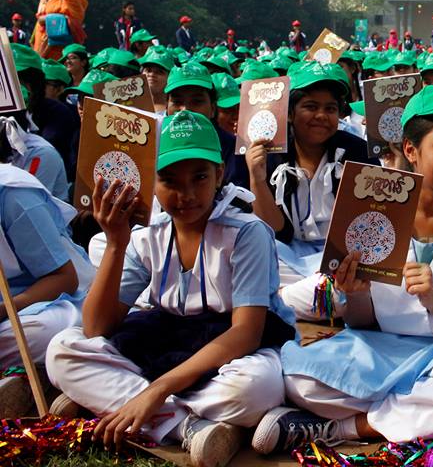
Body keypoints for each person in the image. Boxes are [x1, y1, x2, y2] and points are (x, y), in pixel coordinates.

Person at [253, 81, 433, 453]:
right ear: (411, 150)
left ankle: (347, 427)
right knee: (294, 378)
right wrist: (354, 295)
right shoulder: (370, 208)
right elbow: (362, 322)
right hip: (376, 348)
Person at [46, 111, 295, 466]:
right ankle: (188, 426)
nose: (187, 194)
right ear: (152, 181)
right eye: (170, 180)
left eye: (200, 177)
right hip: (167, 337)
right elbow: (96, 328)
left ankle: (124, 404)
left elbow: (245, 333)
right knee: (62, 351)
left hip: (230, 347)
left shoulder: (246, 231)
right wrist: (116, 243)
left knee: (257, 388)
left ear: (219, 175)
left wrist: (157, 390)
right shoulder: (147, 234)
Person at [245, 63, 376, 320]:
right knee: (250, 259)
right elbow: (275, 230)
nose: (321, 116)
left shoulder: (357, 151)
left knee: (357, 285)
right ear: (290, 114)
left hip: (343, 259)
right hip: (288, 259)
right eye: (310, 107)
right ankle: (292, 300)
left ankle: (275, 302)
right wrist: (257, 178)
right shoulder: (271, 153)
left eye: (330, 109)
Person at [0, 159, 93, 415]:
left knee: (41, 332)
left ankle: (36, 381)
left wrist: (5, 309)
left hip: (53, 302)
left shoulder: (13, 194)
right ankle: (31, 381)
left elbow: (63, 278)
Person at [139, 48, 174, 115]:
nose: (152, 74)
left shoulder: (173, 112)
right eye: (148, 70)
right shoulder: (131, 105)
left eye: (159, 72)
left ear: (170, 77)